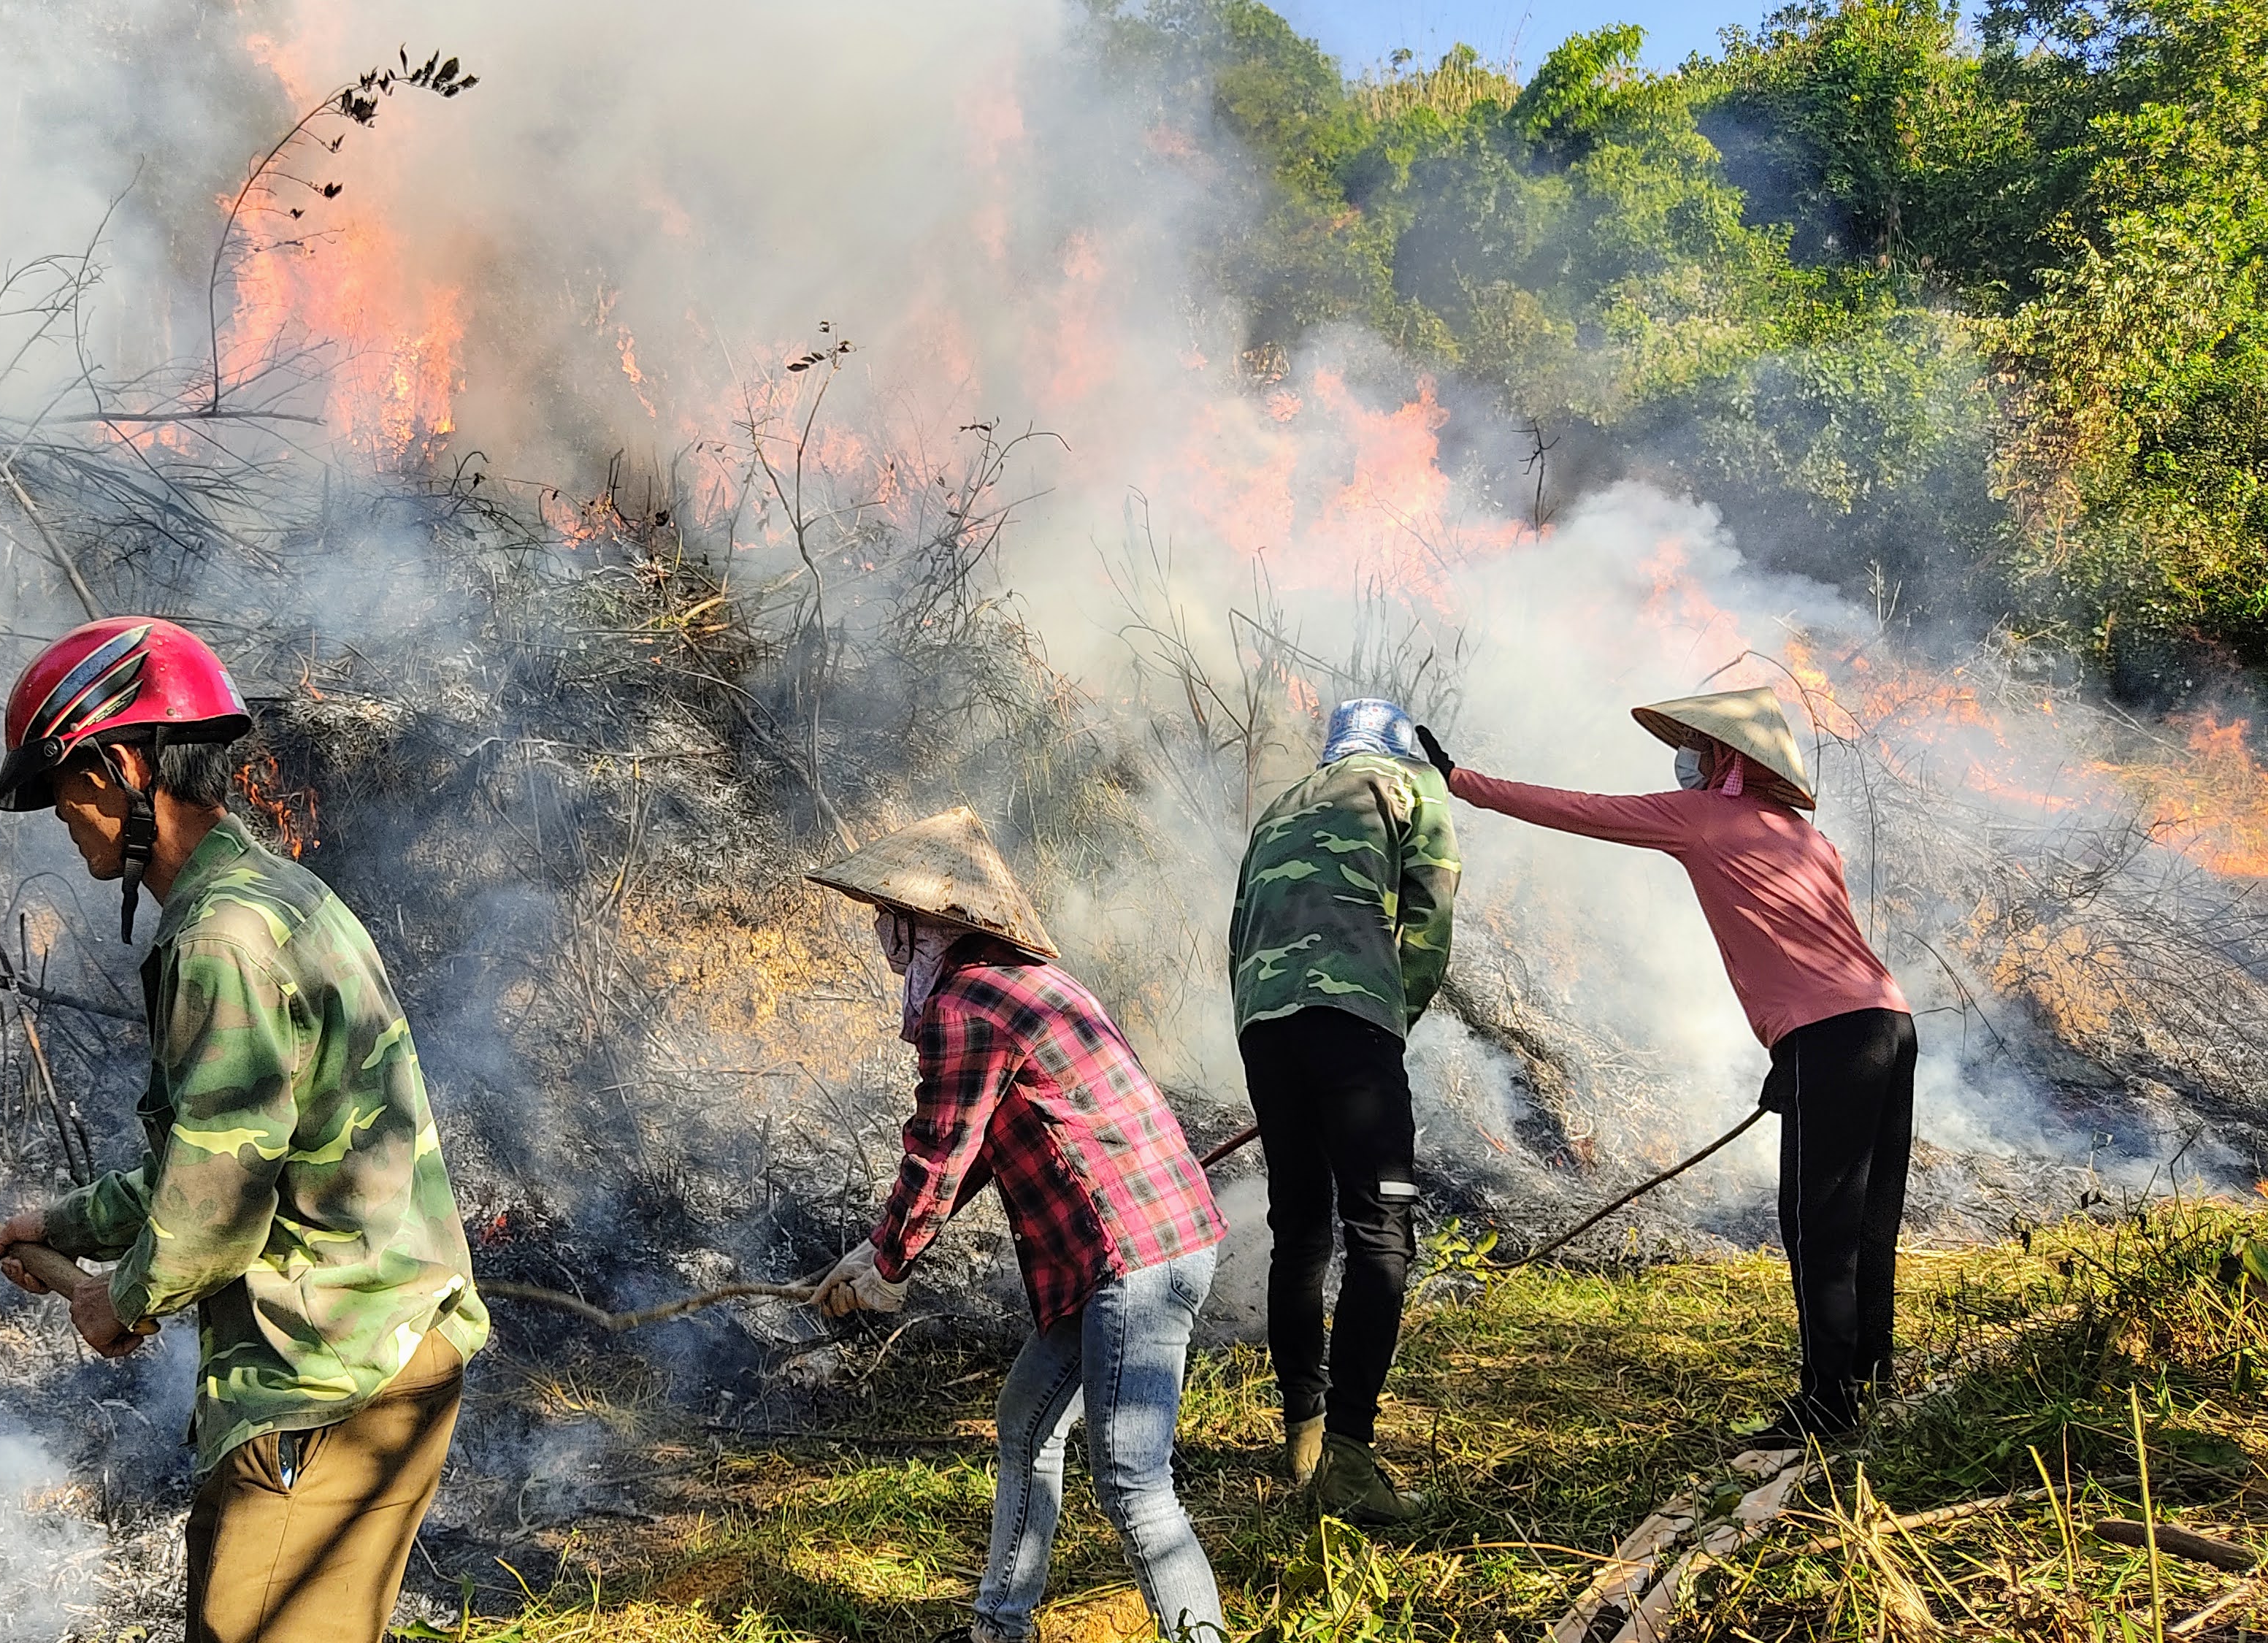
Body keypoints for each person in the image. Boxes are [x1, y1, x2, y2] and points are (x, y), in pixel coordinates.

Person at [0, 616, 491, 1643]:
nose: (61, 819)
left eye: (65, 788)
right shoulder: (266, 897)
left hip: (327, 1385)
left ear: (122, 767)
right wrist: (70, 1222)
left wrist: (116, 1300)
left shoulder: (223, 935)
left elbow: (211, 1213)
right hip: (382, 1353)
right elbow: (211, 1154)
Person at [1415, 686, 1912, 1445]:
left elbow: (1579, 809)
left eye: (1699, 747)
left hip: (1833, 1037)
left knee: (1815, 1226)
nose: (1686, 759)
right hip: (1888, 1023)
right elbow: (1825, 945)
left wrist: (1461, 782)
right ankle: (1871, 1374)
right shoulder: (1810, 840)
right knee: (1866, 1214)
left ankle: (1826, 1406)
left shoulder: (1701, 818)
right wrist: (1792, 1052)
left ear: (1725, 758)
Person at [804, 808, 1230, 1643]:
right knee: (1024, 1425)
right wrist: (878, 1248)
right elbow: (980, 1153)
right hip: (1142, 1248)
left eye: (889, 923)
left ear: (921, 926)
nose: (883, 941)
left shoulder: (965, 1006)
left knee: (1134, 1486)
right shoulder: (1033, 983)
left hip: (1128, 1258)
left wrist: (890, 1264)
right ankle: (1001, 1628)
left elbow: (940, 1148)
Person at [1228, 698, 1461, 1524]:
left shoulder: (1282, 804)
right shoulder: (1409, 790)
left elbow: (1240, 928)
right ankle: (1350, 1462)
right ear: (1400, 750)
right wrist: (1389, 1020)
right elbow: (1428, 924)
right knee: (1380, 1231)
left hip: (1263, 1023)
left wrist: (1266, 1029)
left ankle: (1304, 1433)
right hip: (1352, 1027)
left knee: (1299, 1228)